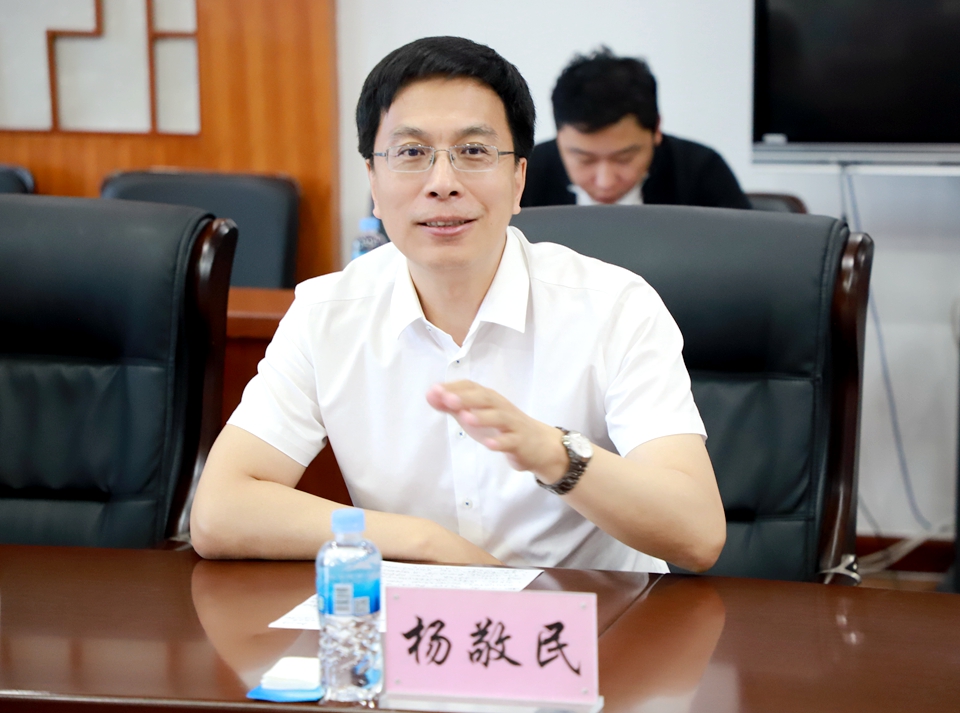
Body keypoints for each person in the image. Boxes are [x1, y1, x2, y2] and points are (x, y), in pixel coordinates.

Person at [190, 36, 725, 574]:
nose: (442, 184)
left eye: (473, 152)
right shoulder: (325, 313)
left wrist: (553, 453)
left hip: (594, 617)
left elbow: (697, 534)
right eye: (411, 153)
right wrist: (427, 543)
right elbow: (217, 511)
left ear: (519, 179)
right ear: (373, 180)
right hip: (418, 618)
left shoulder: (617, 308)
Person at [521, 48, 751, 209]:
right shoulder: (525, 175)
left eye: (624, 158)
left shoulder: (700, 171)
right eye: (585, 160)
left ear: (656, 130)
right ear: (559, 136)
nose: (605, 182)